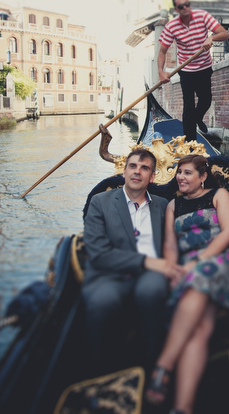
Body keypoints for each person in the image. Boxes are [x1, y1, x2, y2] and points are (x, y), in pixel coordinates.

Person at [145, 154, 229, 414]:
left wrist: (199, 261)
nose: (180, 177)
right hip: (189, 263)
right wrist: (172, 270)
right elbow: (170, 244)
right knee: (200, 328)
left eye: (187, 173)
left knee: (200, 276)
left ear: (202, 176)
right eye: (179, 172)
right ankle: (183, 407)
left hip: (223, 256)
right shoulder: (174, 205)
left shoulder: (219, 195)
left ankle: (163, 366)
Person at [82, 148, 182, 369]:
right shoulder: (100, 202)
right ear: (124, 172)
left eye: (145, 168)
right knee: (102, 300)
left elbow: (172, 242)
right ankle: (100, 369)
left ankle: (151, 364)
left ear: (152, 176)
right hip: (110, 274)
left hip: (150, 275)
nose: (138, 172)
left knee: (152, 290)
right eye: (133, 166)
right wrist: (145, 261)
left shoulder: (162, 205)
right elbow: (98, 252)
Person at [157, 0, 229, 142]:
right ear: (176, 9)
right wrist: (160, 71)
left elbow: (225, 34)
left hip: (204, 67)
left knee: (206, 101)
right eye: (181, 6)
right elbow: (162, 51)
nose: (185, 8)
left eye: (187, 4)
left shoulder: (202, 16)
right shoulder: (172, 26)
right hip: (186, 71)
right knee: (188, 106)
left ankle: (197, 119)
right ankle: (189, 143)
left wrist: (211, 37)